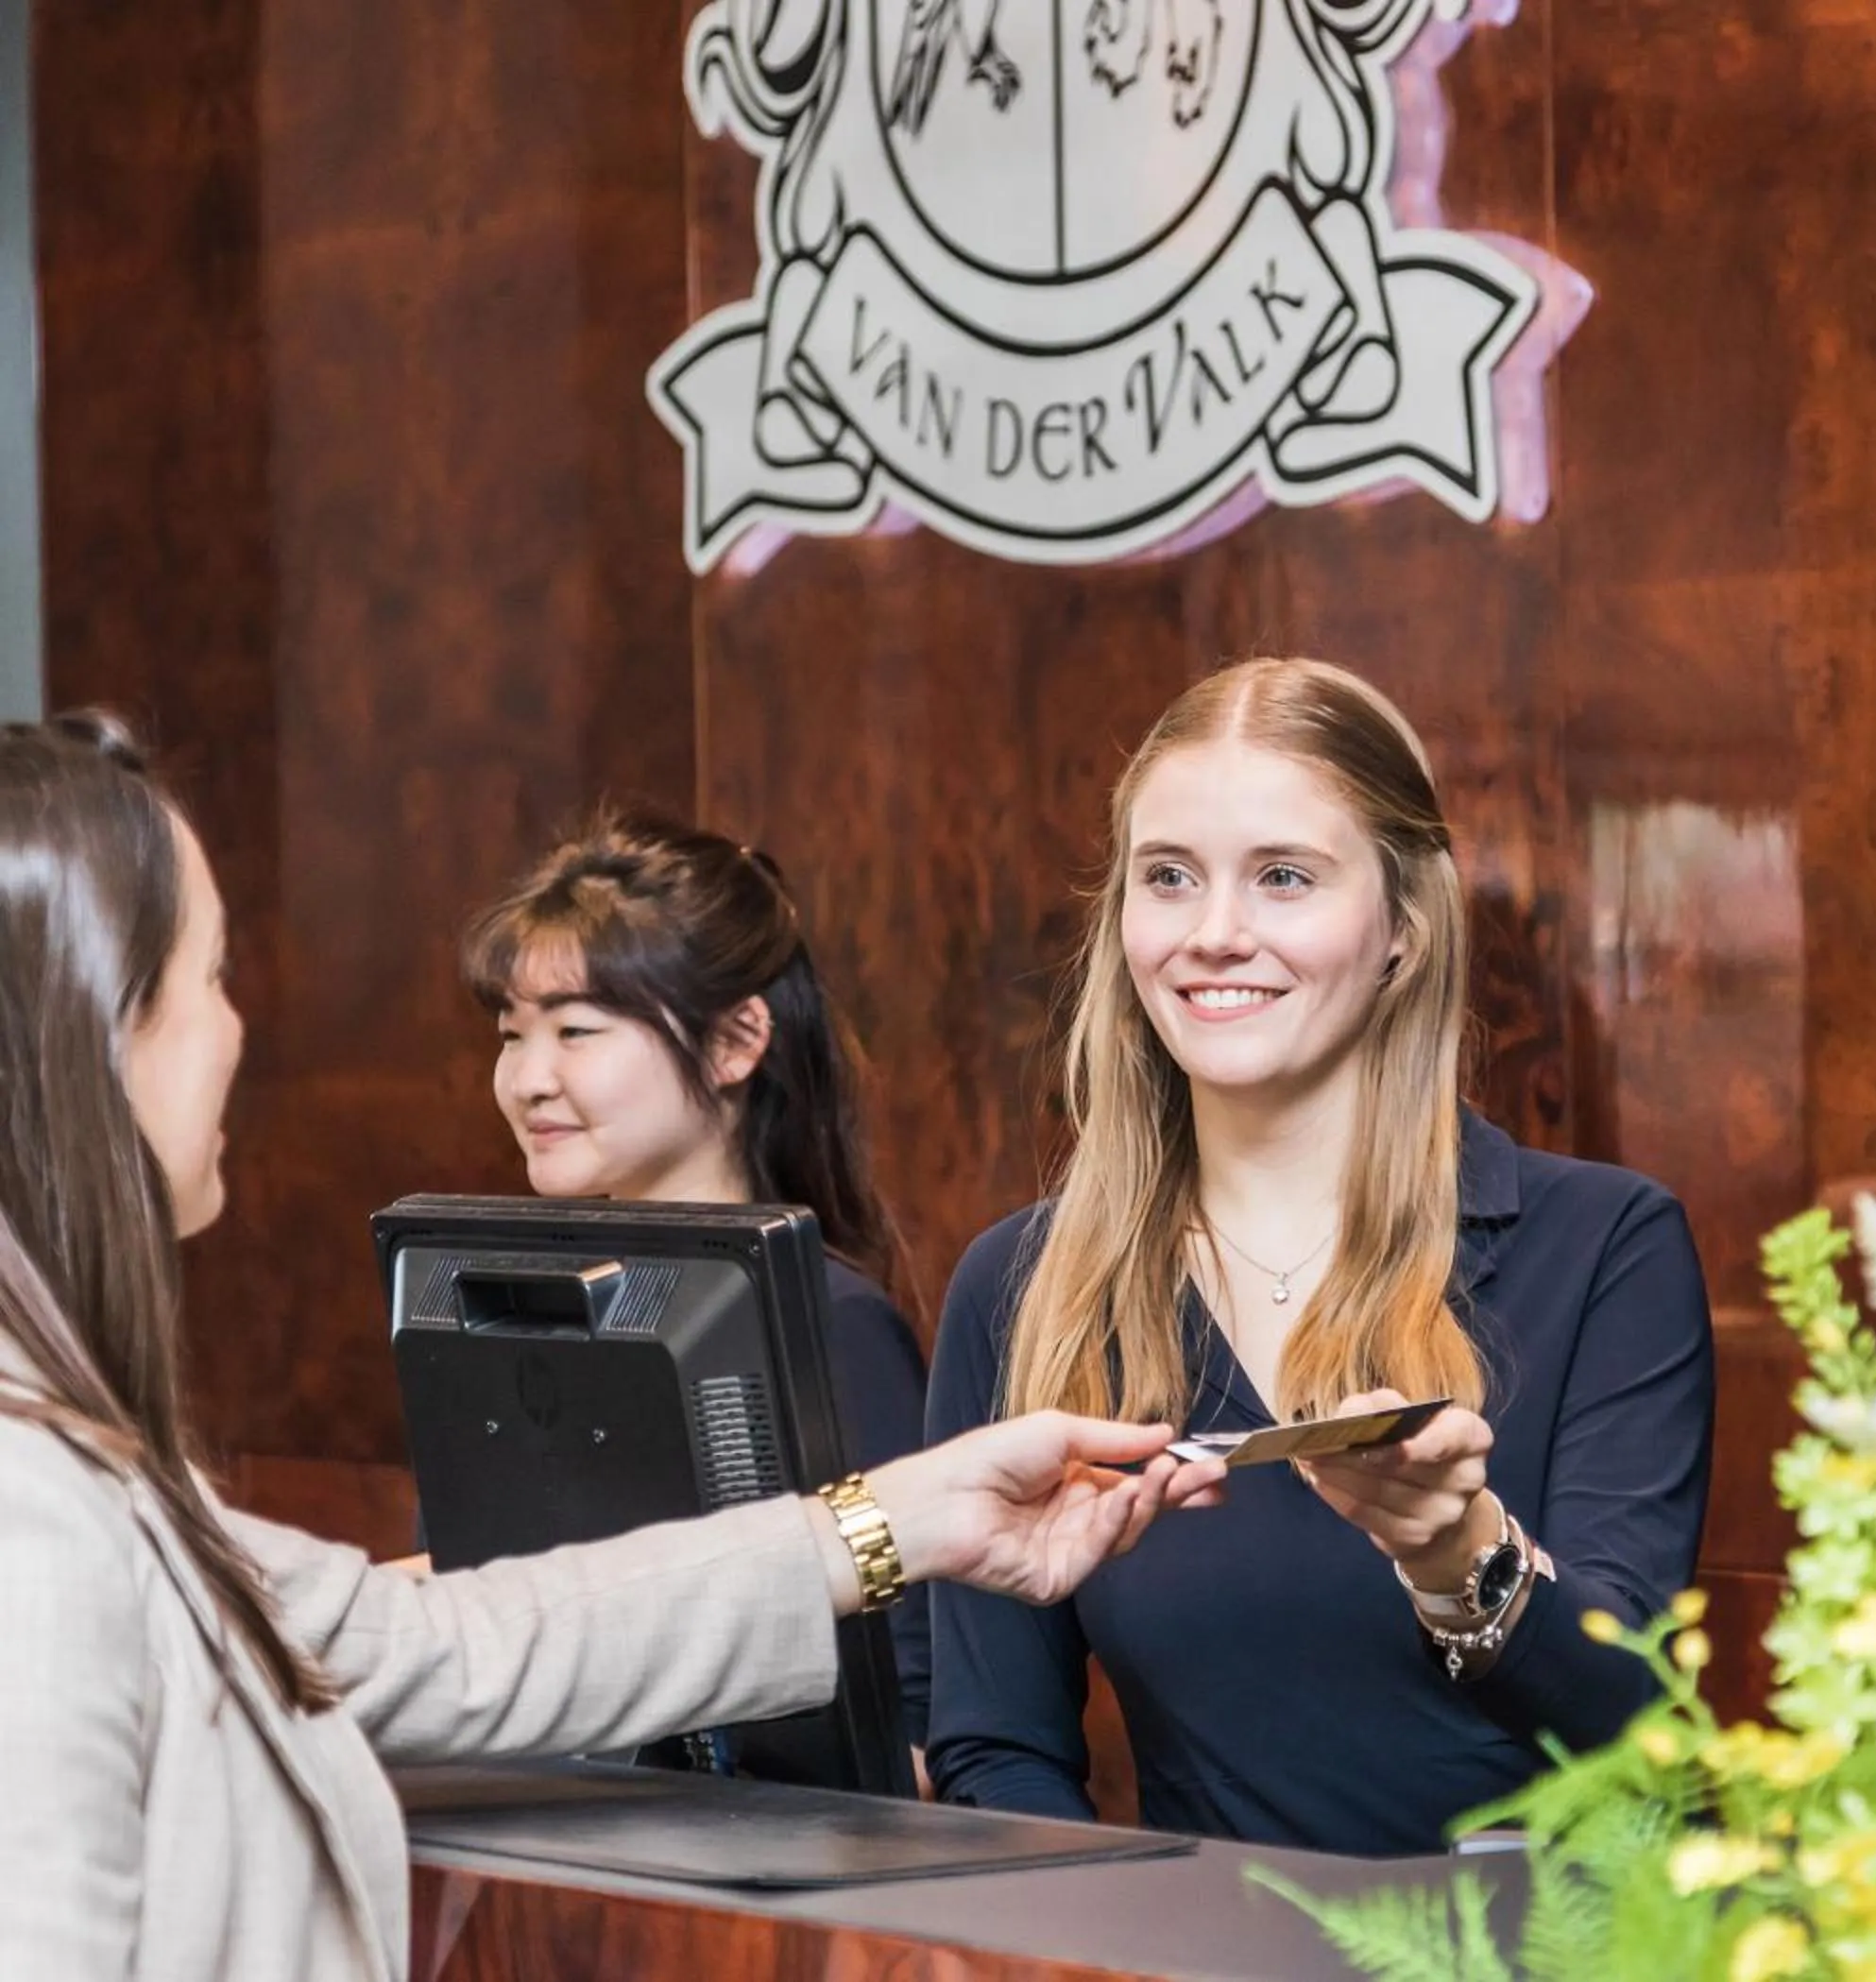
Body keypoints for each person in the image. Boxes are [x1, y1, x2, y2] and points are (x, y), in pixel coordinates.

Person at [0, 712, 1224, 1982]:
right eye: (212, 977)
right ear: (89, 1033)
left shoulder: (73, 1476)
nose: (240, 1030)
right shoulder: (34, 1513)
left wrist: (894, 1521)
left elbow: (457, 1645)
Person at [925, 658, 1717, 1855]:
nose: (1213, 935)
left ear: (1403, 928)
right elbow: (999, 1750)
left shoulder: (1605, 1247)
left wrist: (1460, 1560)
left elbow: (1636, 1740)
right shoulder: (1028, 1286)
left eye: (1283, 878)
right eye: (1169, 879)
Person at [463, 809, 939, 1745]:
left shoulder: (832, 1322)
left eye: (577, 1029)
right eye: (513, 1035)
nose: (527, 1080)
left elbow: (915, 1711)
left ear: (734, 1042)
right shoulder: (530, 1310)